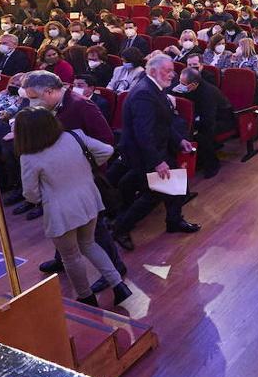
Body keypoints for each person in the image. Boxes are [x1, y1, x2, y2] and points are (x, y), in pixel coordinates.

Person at [16, 107, 131, 307]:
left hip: (61, 212)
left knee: (70, 257)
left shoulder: (29, 158)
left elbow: (30, 194)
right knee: (90, 244)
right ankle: (118, 285)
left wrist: (49, 193)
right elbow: (107, 150)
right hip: (89, 199)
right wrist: (87, 168)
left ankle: (86, 297)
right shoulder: (73, 136)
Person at [109, 54, 201, 250]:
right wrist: (157, 161)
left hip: (157, 148)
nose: (172, 75)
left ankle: (174, 221)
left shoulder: (155, 88)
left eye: (172, 70)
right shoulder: (144, 93)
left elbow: (164, 123)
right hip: (144, 153)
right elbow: (144, 133)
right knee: (156, 193)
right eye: (167, 71)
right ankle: (120, 228)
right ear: (152, 71)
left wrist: (180, 139)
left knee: (177, 185)